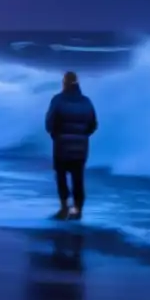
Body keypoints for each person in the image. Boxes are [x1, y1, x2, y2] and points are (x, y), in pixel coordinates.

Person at [44, 71, 98, 220]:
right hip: (81, 148)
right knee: (78, 178)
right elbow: (93, 124)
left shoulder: (57, 100)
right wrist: (82, 136)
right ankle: (78, 210)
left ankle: (64, 208)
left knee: (61, 177)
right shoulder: (86, 102)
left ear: (64, 83)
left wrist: (56, 135)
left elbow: (49, 123)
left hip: (61, 146)